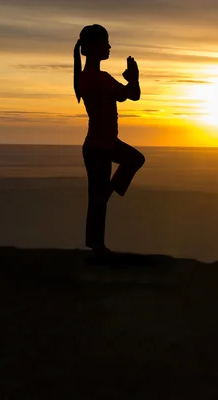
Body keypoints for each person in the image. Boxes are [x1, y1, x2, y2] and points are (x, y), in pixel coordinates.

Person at [73, 24, 145, 259]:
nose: (109, 46)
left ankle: (96, 243)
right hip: (98, 148)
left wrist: (131, 80)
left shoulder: (85, 77)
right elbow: (133, 95)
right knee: (98, 199)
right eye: (105, 42)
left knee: (133, 161)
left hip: (103, 144)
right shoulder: (99, 79)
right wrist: (133, 78)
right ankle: (97, 246)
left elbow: (128, 95)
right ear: (94, 47)